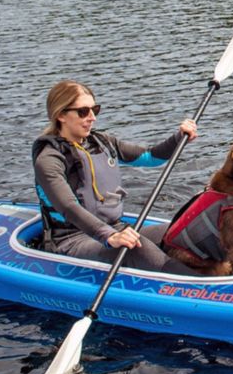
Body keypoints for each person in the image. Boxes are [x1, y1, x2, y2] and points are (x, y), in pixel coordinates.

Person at [33, 79, 198, 274]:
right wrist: (109, 236)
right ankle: (202, 289)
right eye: (83, 112)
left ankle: (222, 273)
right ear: (60, 115)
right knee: (134, 248)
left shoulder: (102, 142)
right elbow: (68, 206)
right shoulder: (49, 159)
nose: (92, 117)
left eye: (95, 109)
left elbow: (151, 157)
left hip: (115, 227)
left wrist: (179, 138)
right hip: (72, 239)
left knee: (181, 230)